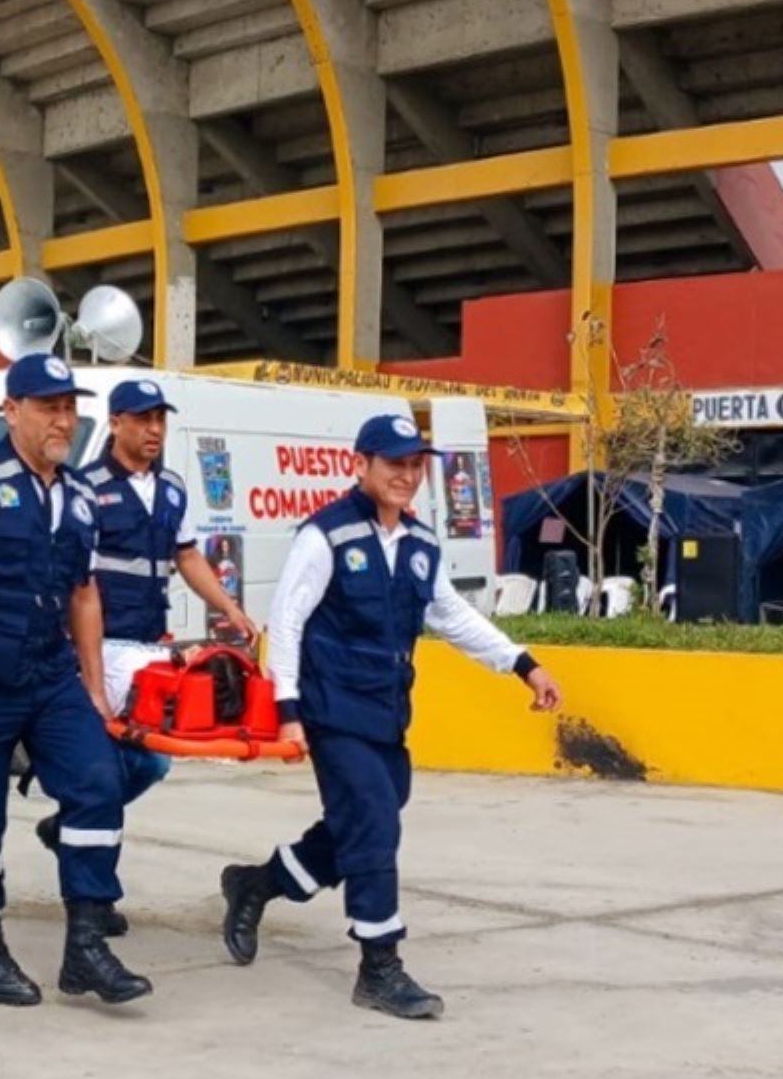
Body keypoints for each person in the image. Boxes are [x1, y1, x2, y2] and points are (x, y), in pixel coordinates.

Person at [219, 413, 563, 1020]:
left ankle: (260, 883)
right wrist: (289, 708)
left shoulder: (420, 544)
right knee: (375, 822)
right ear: (361, 466)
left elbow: (452, 616)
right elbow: (290, 621)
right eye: (393, 464)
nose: (406, 476)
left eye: (414, 466)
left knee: (365, 815)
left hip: (386, 708)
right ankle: (380, 965)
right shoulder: (325, 536)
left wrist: (523, 664)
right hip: (332, 708)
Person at [0, 353, 151, 1008]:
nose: (62, 420)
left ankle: (87, 948)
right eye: (48, 407)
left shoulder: (78, 495)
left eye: (69, 407)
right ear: (12, 411)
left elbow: (84, 594)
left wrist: (95, 689)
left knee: (100, 783)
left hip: (49, 676)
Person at [31, 378, 261, 934]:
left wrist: (229, 608)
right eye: (141, 419)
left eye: (160, 419)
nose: (154, 430)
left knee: (150, 762)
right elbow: (73, 582)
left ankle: (69, 831)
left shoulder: (173, 489)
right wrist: (82, 665)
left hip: (147, 648)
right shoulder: (83, 489)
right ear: (115, 424)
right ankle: (93, 896)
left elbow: (187, 556)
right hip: (100, 650)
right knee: (111, 771)